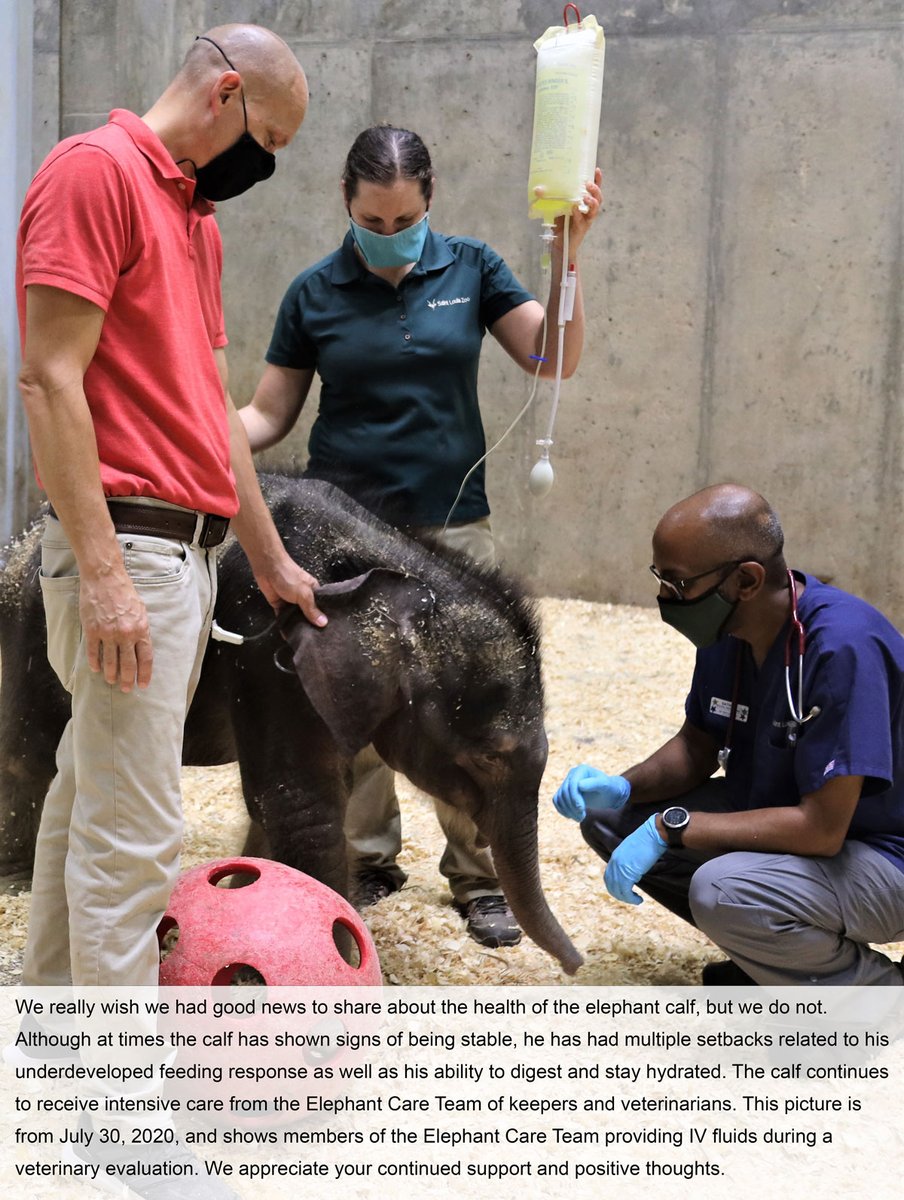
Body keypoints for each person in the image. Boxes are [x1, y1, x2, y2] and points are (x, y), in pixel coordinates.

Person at [14, 24, 324, 1198]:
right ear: (226, 89)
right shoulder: (93, 173)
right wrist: (98, 568)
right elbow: (48, 374)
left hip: (180, 550)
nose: (270, 163)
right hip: (126, 546)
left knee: (90, 801)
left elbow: (208, 407)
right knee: (134, 834)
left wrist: (271, 556)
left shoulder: (192, 215)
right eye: (272, 140)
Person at [239, 124, 602, 948]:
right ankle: (365, 859)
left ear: (430, 203)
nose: (392, 235)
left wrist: (570, 256)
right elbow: (268, 413)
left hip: (453, 533)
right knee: (349, 705)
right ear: (347, 204)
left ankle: (480, 877)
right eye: (376, 219)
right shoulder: (313, 292)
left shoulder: (472, 268)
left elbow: (555, 357)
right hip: (344, 541)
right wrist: (198, 433)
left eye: (407, 219)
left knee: (470, 716)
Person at [553, 484, 904, 987]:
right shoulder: (730, 631)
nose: (664, 598)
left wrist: (672, 826)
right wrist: (623, 787)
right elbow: (697, 745)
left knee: (723, 892)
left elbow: (822, 830)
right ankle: (778, 959)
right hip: (806, 827)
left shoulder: (842, 648)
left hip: (883, 850)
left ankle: (876, 996)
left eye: (677, 583)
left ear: (745, 579)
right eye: (660, 579)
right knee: (613, 820)